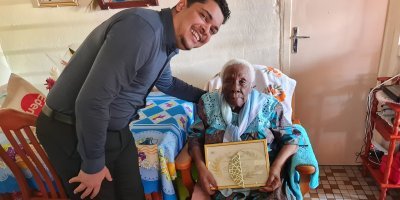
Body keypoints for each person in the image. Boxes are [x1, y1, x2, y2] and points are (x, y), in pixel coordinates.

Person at [35, 0, 231, 199]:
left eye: (213, 30)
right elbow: (92, 101)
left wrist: (211, 98)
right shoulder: (142, 29)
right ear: (181, 5)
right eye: (204, 16)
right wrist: (92, 166)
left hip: (116, 131)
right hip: (72, 130)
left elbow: (168, 83)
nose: (206, 30)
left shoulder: (164, 41)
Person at [188, 59, 299, 200]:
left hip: (264, 180)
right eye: (229, 80)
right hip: (219, 181)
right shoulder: (208, 103)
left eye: (242, 81)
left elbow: (292, 139)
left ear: (252, 86)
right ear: (222, 83)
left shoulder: (269, 106)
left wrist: (276, 167)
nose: (235, 87)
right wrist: (201, 167)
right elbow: (194, 138)